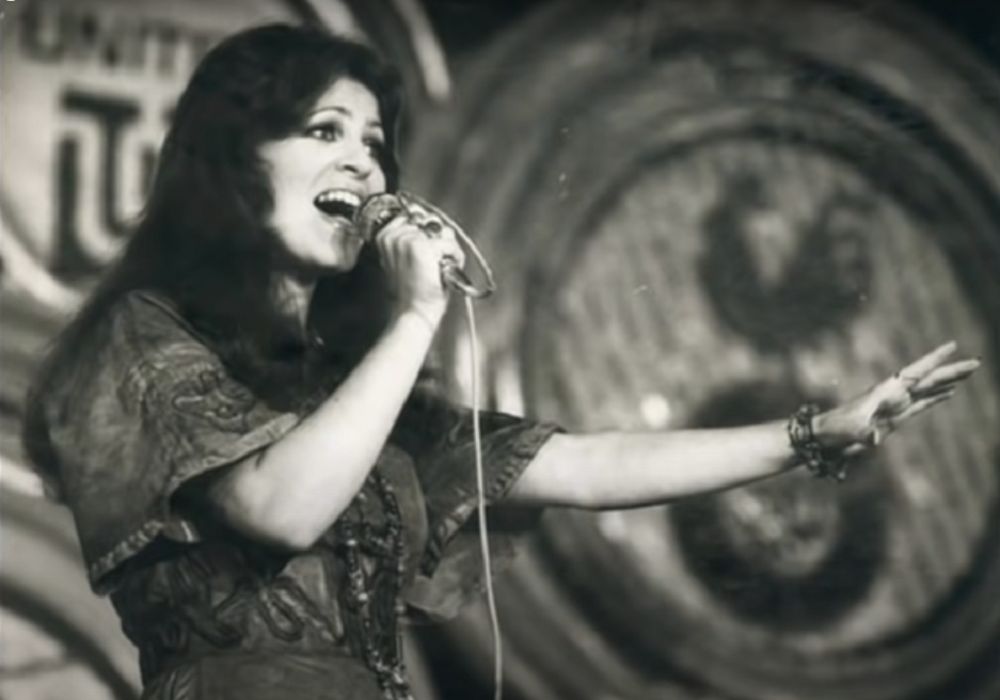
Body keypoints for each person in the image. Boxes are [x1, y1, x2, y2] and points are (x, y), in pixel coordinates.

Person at [22, 23, 980, 700]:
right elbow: (279, 508)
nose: (364, 166)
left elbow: (589, 465)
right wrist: (416, 316)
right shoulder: (140, 335)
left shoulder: (350, 382)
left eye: (374, 145)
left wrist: (815, 433)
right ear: (236, 163)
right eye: (324, 132)